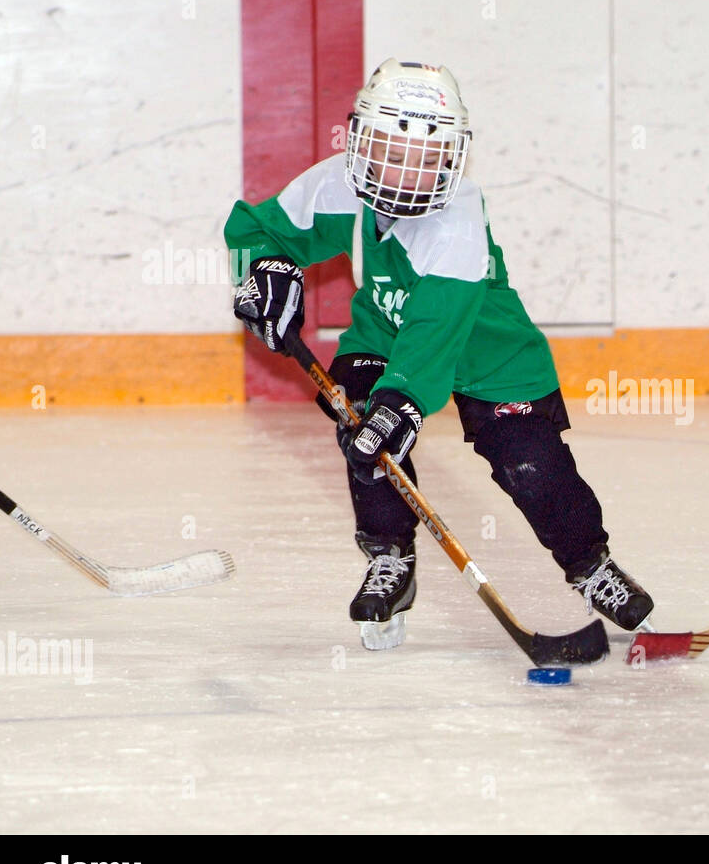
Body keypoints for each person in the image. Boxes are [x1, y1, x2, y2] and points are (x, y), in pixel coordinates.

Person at [226, 59, 653, 649]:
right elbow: (258, 229)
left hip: (490, 353)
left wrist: (400, 402)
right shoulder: (337, 185)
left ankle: (590, 564)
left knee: (533, 468)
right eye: (394, 150)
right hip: (385, 334)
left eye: (428, 157)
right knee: (364, 436)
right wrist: (266, 269)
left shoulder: (457, 217)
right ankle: (390, 558)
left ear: (453, 157)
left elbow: (436, 328)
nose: (408, 173)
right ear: (362, 141)